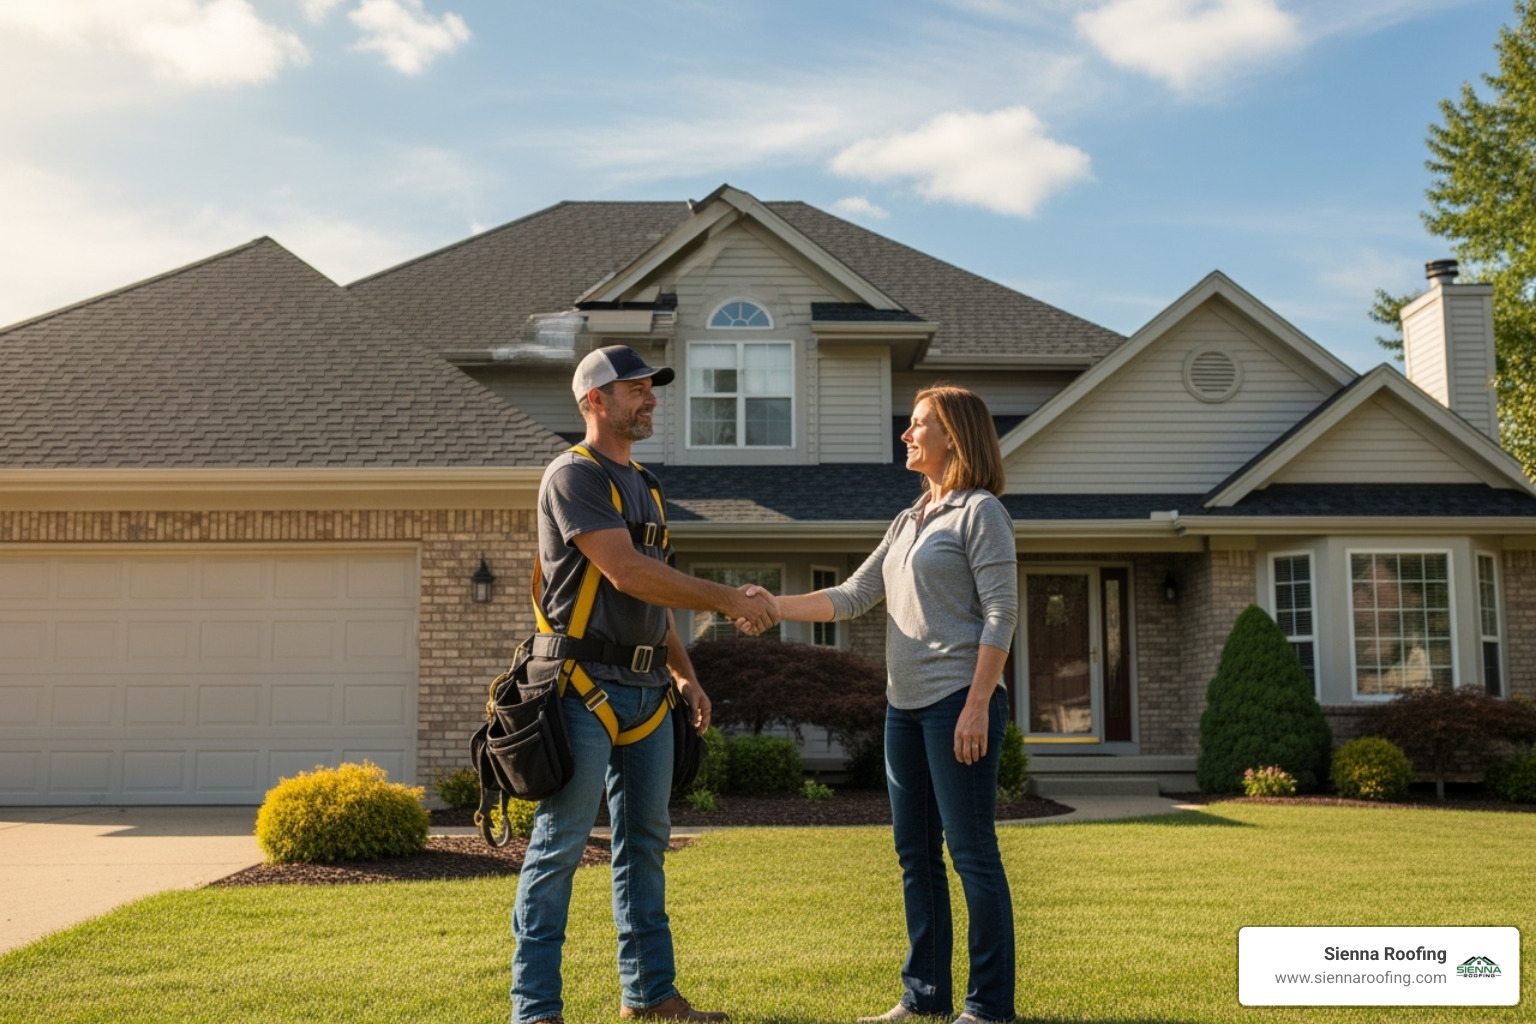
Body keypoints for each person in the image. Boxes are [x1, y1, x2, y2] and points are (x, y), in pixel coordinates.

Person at [512, 344, 778, 1024]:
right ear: (594, 400)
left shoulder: (650, 488)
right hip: (578, 689)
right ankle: (535, 1009)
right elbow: (626, 571)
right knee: (560, 849)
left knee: (646, 850)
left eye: (651, 388)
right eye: (634, 388)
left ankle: (651, 997)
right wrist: (727, 599)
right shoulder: (572, 476)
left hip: (646, 693)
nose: (650, 398)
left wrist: (686, 675)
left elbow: (651, 602)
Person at [744, 385, 1018, 1024]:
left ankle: (987, 1006)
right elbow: (851, 595)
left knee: (971, 852)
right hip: (904, 708)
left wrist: (979, 703)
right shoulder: (909, 518)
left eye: (917, 424)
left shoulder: (981, 513)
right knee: (915, 854)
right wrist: (770, 604)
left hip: (958, 701)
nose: (906, 435)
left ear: (953, 435)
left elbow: (1002, 614)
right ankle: (923, 997)